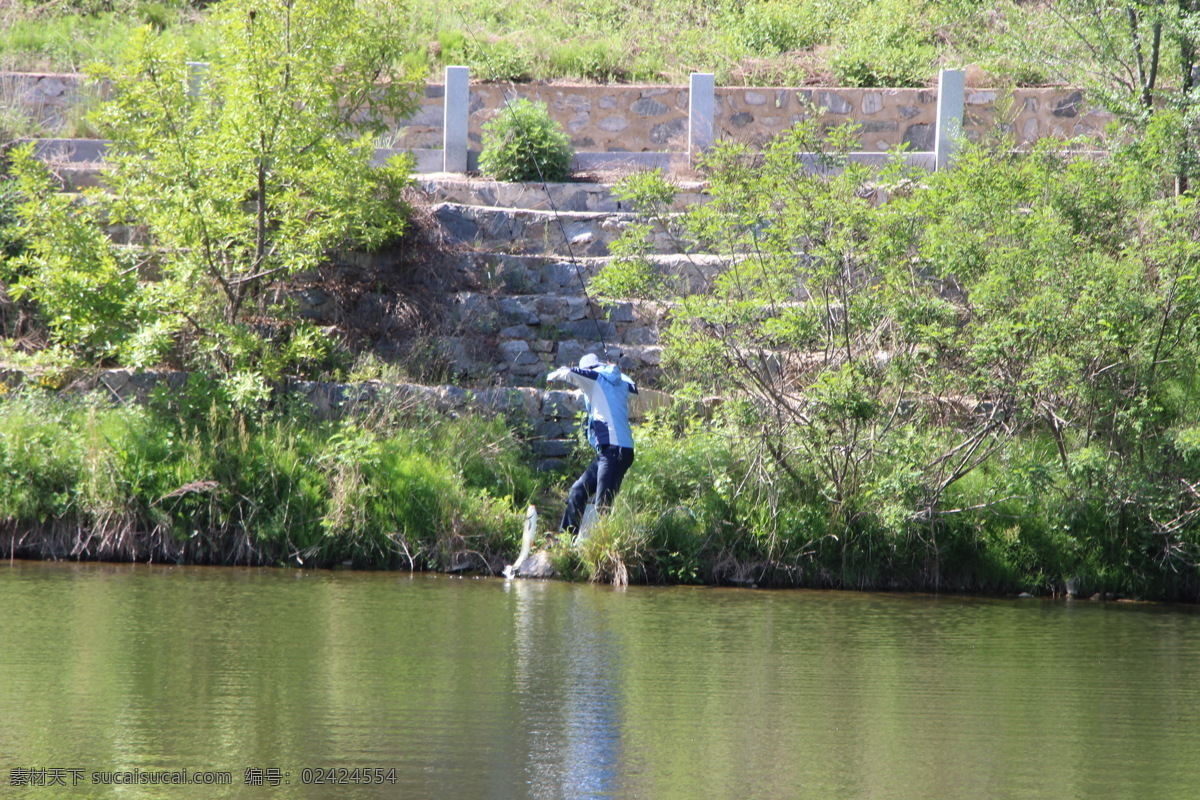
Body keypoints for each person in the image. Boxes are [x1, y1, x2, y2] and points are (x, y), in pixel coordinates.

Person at [547, 353, 638, 536]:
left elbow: (570, 372)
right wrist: (613, 368)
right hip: (612, 451)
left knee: (602, 505)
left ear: (590, 369)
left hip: (615, 451)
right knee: (577, 491)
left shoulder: (595, 379)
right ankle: (566, 540)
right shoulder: (620, 383)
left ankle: (603, 551)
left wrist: (552, 376)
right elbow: (634, 388)